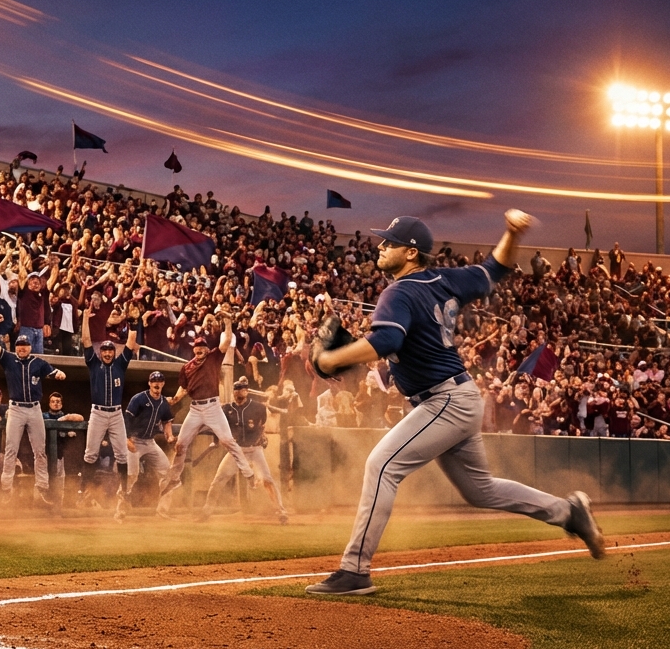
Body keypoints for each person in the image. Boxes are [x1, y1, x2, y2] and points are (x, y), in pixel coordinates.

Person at [305, 212, 605, 596]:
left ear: (411, 253)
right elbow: (494, 268)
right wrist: (512, 233)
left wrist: (330, 359)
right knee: (481, 491)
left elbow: (386, 343)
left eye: (389, 242)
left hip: (444, 400)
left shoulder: (397, 292)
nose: (381, 246)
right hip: (455, 398)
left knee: (381, 466)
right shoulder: (445, 279)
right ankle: (568, 512)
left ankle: (355, 570)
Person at [159, 319, 257, 517]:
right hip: (195, 409)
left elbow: (227, 340)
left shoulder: (213, 357)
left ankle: (249, 474)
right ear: (193, 350)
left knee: (228, 441)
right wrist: (177, 398)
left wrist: (228, 323)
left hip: (213, 406)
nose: (200, 350)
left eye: (203, 347)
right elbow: (184, 387)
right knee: (181, 445)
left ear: (206, 349)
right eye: (197, 348)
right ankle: (174, 479)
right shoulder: (187, 367)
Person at [0, 311, 67, 505]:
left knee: (40, 450)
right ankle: (6, 488)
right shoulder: (9, 359)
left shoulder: (37, 362)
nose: (22, 348)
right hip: (16, 409)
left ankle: (42, 488)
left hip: (34, 409)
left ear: (30, 347)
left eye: (25, 345)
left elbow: (54, 371)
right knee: (11, 449)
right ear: (16, 347)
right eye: (19, 346)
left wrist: (59, 373)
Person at [199, 376, 288, 524]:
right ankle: (206, 511)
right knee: (219, 479)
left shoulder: (258, 407)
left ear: (247, 392)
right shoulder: (226, 409)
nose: (240, 392)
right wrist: (219, 440)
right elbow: (219, 427)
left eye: (243, 390)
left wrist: (261, 436)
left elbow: (262, 425)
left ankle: (281, 511)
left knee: (267, 479)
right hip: (236, 451)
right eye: (237, 390)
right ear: (233, 392)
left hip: (255, 449)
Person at [78, 316, 140, 518]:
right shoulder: (93, 363)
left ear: (114, 352)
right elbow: (86, 341)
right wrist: (85, 318)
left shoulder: (120, 365)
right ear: (100, 352)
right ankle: (82, 490)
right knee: (90, 454)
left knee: (122, 455)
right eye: (104, 350)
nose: (106, 353)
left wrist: (133, 322)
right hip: (97, 412)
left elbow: (130, 342)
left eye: (109, 350)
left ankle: (124, 492)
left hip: (115, 413)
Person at [123, 371, 174, 501]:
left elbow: (167, 420)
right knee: (131, 475)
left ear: (163, 383)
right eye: (154, 381)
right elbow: (127, 418)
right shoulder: (139, 398)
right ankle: (120, 510)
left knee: (167, 472)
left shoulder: (163, 402)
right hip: (135, 440)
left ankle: (162, 510)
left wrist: (170, 436)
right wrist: (127, 438)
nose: (156, 383)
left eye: (159, 381)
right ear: (149, 383)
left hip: (150, 442)